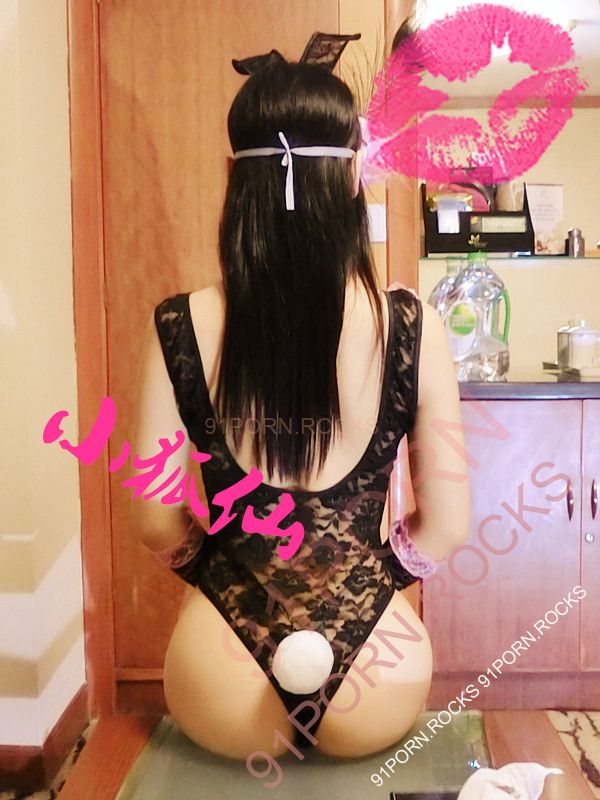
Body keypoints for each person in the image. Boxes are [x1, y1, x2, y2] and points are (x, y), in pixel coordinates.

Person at [131, 54, 470, 762]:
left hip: (220, 662)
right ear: (353, 179)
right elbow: (447, 524)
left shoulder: (178, 325)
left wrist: (212, 574)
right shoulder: (413, 328)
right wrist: (377, 582)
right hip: (378, 665)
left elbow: (154, 519)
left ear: (234, 179)